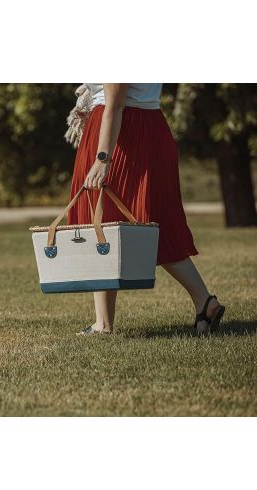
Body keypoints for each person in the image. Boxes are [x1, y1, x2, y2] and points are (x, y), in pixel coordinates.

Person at [67, 83, 225, 335]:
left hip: (123, 134)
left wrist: (102, 158)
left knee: (104, 222)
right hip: (143, 127)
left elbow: (116, 103)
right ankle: (204, 302)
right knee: (145, 225)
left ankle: (103, 324)